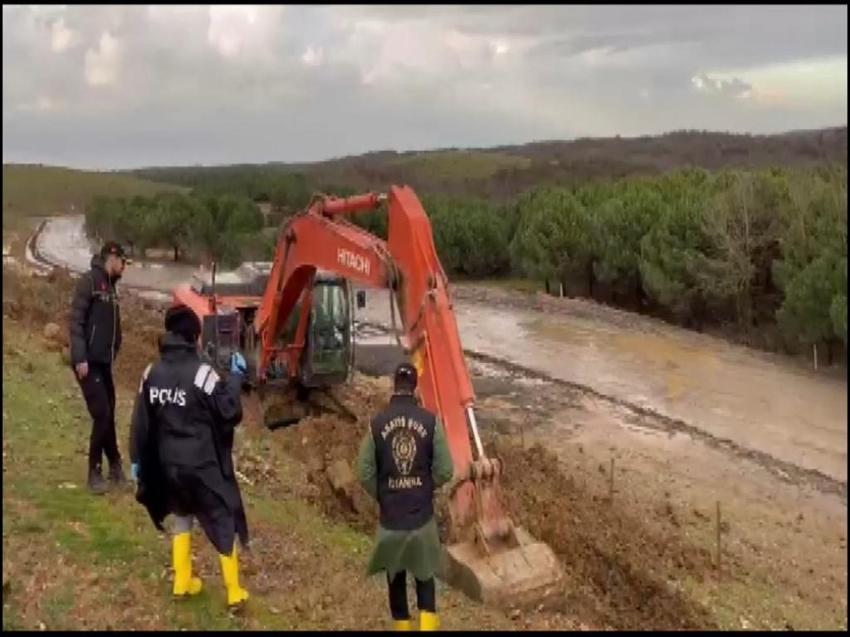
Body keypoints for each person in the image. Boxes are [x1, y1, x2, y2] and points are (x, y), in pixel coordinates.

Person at [129, 304, 250, 608]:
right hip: (201, 465)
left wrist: (137, 460)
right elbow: (229, 411)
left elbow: (140, 422)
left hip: (169, 467)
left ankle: (182, 583)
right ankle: (234, 591)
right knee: (221, 517)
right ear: (193, 337)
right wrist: (235, 378)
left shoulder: (151, 373)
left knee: (182, 516)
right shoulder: (202, 373)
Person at [356, 363, 455, 631]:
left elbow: (363, 471)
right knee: (425, 580)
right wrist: (424, 488)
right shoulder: (430, 422)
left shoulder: (376, 425)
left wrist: (384, 494)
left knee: (396, 582)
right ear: (415, 388)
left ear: (393, 385)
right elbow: (446, 469)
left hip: (391, 522)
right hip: (421, 520)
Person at [69, 240, 127, 495]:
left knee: (109, 414)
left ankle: (115, 467)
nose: (124, 267)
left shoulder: (111, 288)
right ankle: (94, 471)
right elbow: (76, 321)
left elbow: (112, 325)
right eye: (123, 262)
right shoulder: (90, 282)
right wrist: (80, 357)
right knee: (102, 414)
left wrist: (115, 348)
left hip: (103, 362)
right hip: (88, 362)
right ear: (111, 258)